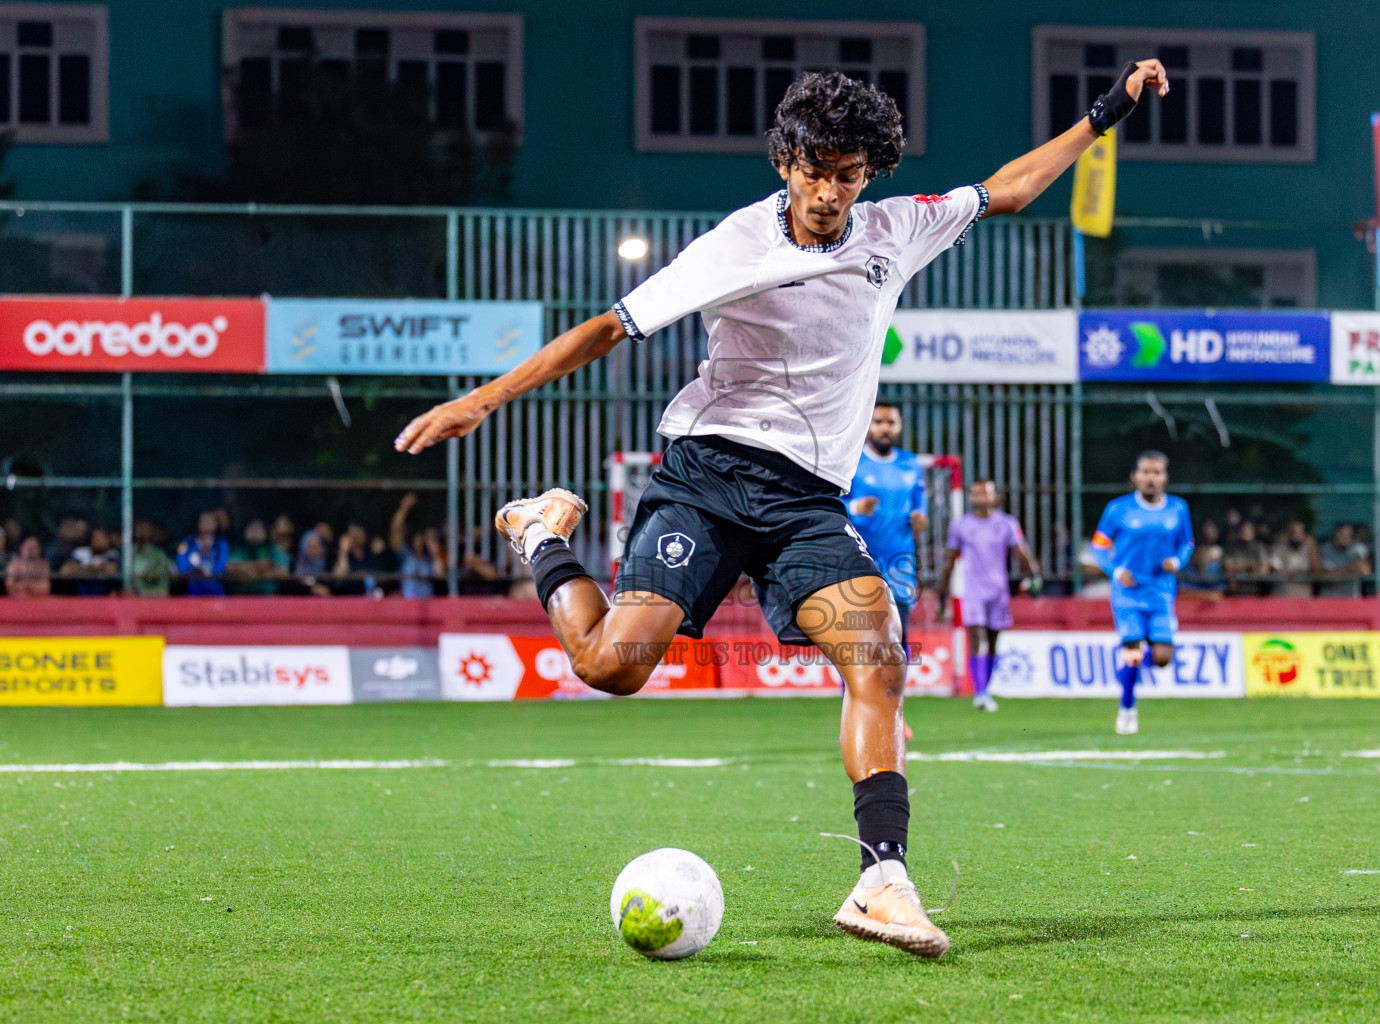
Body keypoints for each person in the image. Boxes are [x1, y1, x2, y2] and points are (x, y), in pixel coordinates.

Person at [394, 61, 1169, 959]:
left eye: (850, 174)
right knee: (611, 666)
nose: (831, 191)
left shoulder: (895, 229)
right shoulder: (736, 245)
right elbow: (608, 328)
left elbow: (1011, 187)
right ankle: (541, 531)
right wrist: (482, 401)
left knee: (878, 657)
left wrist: (1105, 112)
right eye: (816, 168)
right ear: (787, 158)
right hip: (708, 477)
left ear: (868, 175)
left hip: (806, 501)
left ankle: (883, 880)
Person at [1091, 451, 1194, 736]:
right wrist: (1114, 570)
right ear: (1135, 477)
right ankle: (1127, 708)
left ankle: (1124, 671)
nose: (1152, 478)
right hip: (1127, 592)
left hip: (1160, 592)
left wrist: (1177, 561)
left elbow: (1187, 543)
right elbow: (1098, 545)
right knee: (1133, 652)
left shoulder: (1178, 509)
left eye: (1157, 472)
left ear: (1165, 477)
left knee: (1162, 657)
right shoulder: (1117, 510)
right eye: (1146, 472)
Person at [935, 480, 1041, 713]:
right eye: (974, 493)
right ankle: (980, 693)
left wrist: (1033, 575)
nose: (978, 497)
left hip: (998, 591)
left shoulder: (1006, 524)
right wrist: (942, 593)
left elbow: (1020, 551)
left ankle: (986, 688)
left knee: (993, 642)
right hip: (972, 591)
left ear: (995, 497)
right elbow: (949, 560)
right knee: (977, 639)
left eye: (984, 493)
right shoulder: (962, 525)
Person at [844, 401, 928, 647]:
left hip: (900, 564)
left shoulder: (911, 464)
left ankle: (896, 688)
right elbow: (830, 506)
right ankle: (849, 688)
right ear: (868, 425)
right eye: (878, 422)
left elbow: (919, 509)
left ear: (900, 426)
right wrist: (855, 507)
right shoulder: (853, 462)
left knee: (897, 640)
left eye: (891, 423)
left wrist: (920, 519)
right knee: (855, 642)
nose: (885, 428)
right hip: (858, 562)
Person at [176, 511, 230, 596]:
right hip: (193, 586)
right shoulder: (187, 543)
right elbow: (181, 565)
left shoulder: (220, 544)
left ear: (216, 524)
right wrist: (194, 570)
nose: (206, 523)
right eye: (203, 520)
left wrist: (208, 572)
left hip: (214, 586)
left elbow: (221, 565)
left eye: (210, 520)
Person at [228, 519, 288, 595]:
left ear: (265, 531)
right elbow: (231, 567)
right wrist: (260, 566)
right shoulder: (238, 549)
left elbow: (282, 571)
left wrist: (252, 574)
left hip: (268, 597)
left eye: (259, 528)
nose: (255, 532)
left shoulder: (272, 549)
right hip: (240, 596)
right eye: (252, 528)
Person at [1269, 521, 1321, 598]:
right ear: (1289, 534)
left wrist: (1312, 547)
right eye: (1294, 533)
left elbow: (1317, 570)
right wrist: (1288, 572)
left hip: (1303, 596)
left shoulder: (1309, 550)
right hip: (1282, 594)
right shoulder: (1279, 549)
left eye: (1300, 533)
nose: (1297, 536)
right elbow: (1274, 567)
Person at [1317, 523, 1370, 597]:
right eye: (1344, 535)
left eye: (1349, 535)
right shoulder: (1325, 550)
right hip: (1330, 599)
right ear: (1336, 534)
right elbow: (1331, 578)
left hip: (1351, 599)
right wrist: (1352, 569)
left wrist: (1341, 572)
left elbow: (1364, 571)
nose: (1347, 538)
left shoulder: (1356, 548)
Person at [130, 520, 175, 597]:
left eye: (145, 529)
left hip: (157, 594)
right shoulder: (130, 553)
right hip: (137, 595)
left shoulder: (159, 553)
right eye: (139, 529)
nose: (142, 532)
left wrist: (150, 575)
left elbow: (164, 571)